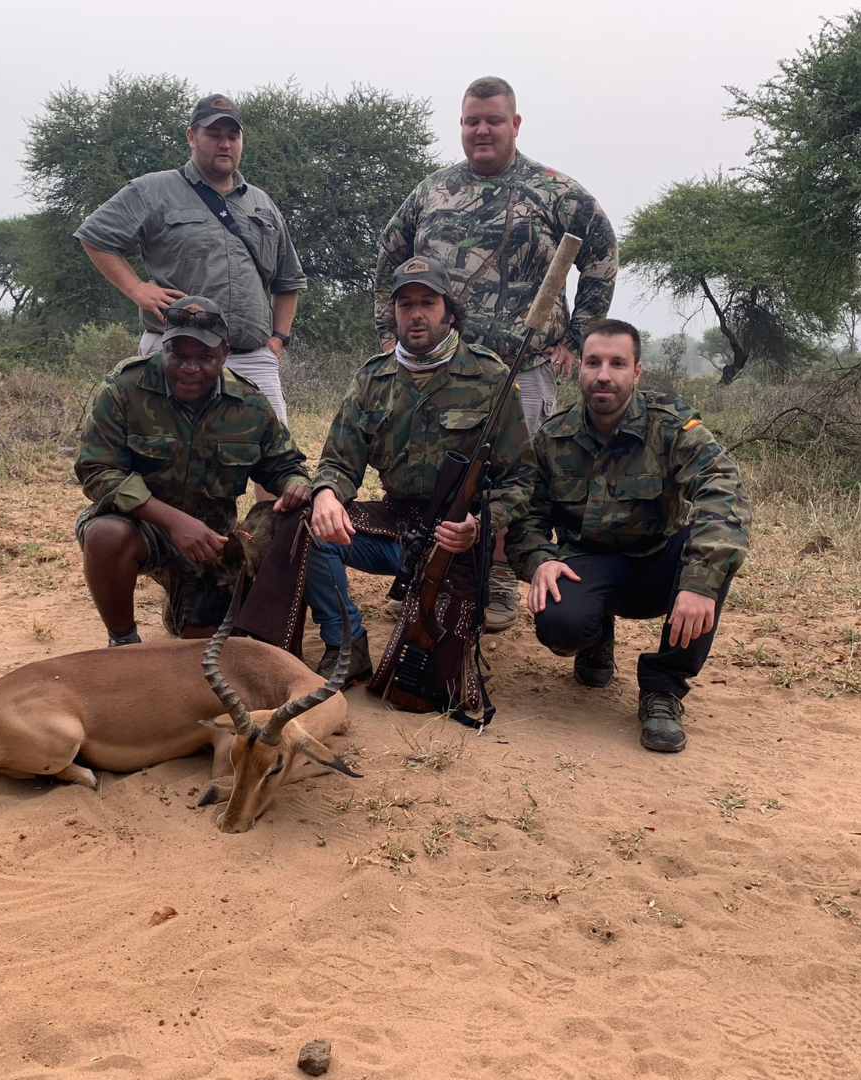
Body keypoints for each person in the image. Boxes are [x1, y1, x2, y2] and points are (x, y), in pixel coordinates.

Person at [374, 75, 617, 632]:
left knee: (511, 472)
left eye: (493, 120)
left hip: (522, 367)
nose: (481, 130)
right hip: (439, 365)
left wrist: (578, 338)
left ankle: (499, 578)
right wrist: (386, 332)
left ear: (515, 124)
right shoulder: (431, 190)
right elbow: (389, 255)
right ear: (461, 126)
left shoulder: (557, 191)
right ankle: (422, 569)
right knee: (440, 469)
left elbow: (601, 254)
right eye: (471, 121)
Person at [506, 319, 752, 752]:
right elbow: (527, 517)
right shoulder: (552, 437)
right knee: (560, 625)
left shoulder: (672, 426)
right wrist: (541, 560)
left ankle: (663, 688)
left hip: (659, 563)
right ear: (577, 369)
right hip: (589, 565)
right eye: (593, 362)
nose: (604, 374)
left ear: (636, 372)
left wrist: (699, 584)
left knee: (710, 555)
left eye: (618, 363)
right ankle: (594, 635)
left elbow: (724, 493)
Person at [307, 256, 535, 689]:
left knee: (424, 686)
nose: (415, 314)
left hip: (455, 538)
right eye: (405, 304)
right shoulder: (372, 379)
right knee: (310, 530)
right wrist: (326, 495)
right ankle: (347, 645)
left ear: (448, 310)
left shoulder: (492, 377)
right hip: (393, 526)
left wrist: (481, 525)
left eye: (427, 302)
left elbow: (520, 478)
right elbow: (339, 461)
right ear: (393, 313)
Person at [75, 296, 311, 646]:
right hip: (142, 527)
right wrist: (174, 522)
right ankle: (123, 641)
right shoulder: (123, 388)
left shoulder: (249, 403)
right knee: (105, 534)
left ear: (225, 354)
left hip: (210, 546)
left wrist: (295, 483)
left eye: (204, 357)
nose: (190, 367)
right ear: (163, 347)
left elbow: (285, 465)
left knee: (201, 645)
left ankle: (181, 607)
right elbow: (97, 471)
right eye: (179, 355)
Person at [74, 92, 306, 428]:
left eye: (232, 136)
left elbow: (288, 279)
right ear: (191, 137)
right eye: (213, 134)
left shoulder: (261, 203)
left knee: (276, 460)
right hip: (175, 356)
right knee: (165, 453)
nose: (224, 144)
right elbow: (95, 237)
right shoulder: (152, 189)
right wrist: (136, 288)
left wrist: (277, 341)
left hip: (252, 357)